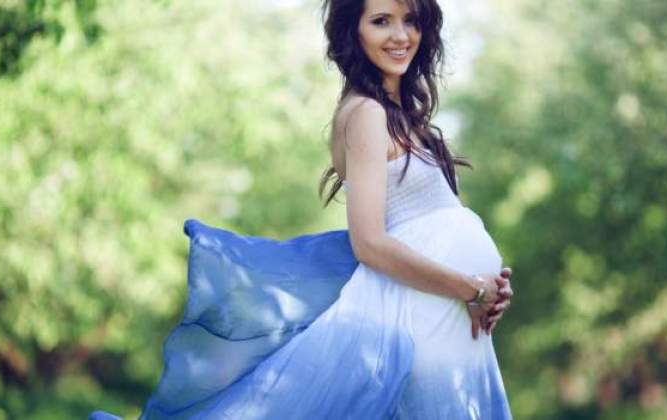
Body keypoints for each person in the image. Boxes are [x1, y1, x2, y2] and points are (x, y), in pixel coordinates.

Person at [90, 0, 514, 418]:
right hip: (420, 319)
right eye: (382, 21)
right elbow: (370, 243)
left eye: (411, 20)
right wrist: (471, 288)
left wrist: (489, 290)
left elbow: (436, 224)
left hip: (449, 316)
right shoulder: (366, 114)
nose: (401, 35)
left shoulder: (405, 119)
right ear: (353, 31)